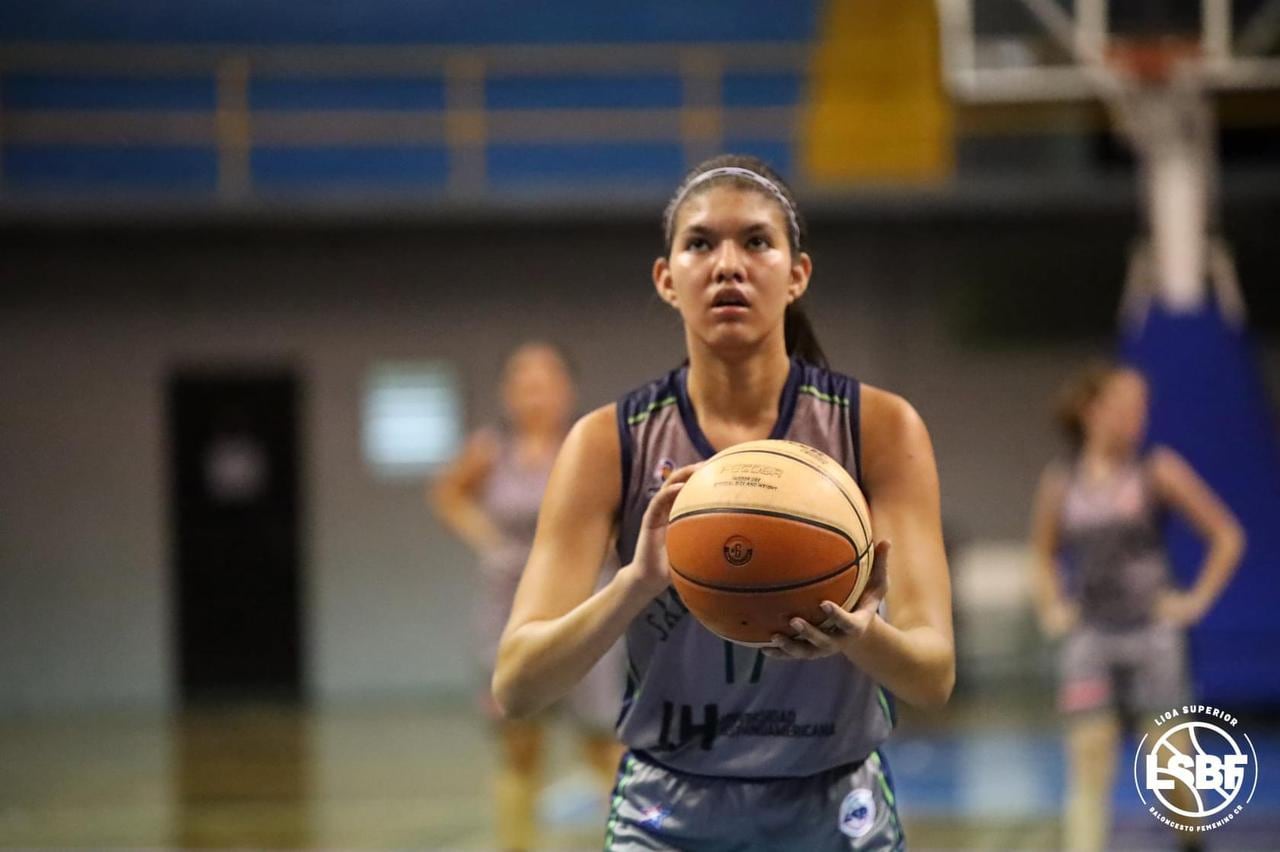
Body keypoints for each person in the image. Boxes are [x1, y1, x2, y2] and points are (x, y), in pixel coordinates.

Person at [492, 155, 955, 850]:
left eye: (758, 241)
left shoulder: (878, 428)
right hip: (666, 810)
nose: (728, 265)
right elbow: (518, 686)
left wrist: (864, 634)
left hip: (833, 805)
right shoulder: (607, 443)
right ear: (666, 278)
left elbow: (933, 675)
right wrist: (634, 585)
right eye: (701, 243)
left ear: (798, 274)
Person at [1030, 362, 1245, 852]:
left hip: (1152, 636)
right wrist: (1052, 606)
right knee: (1089, 766)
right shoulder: (1062, 482)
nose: (1137, 417)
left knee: (1173, 774)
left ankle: (1191, 842)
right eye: (1125, 405)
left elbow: (1227, 536)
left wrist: (1195, 600)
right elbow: (1041, 553)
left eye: (1142, 407)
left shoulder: (1158, 470)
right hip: (1090, 637)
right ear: (1091, 411)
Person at [432, 341, 623, 852]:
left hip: (583, 606)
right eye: (523, 382)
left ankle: (630, 842)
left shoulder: (589, 444)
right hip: (511, 608)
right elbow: (448, 494)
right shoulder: (490, 450)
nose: (534, 393)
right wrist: (488, 539)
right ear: (507, 393)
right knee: (520, 744)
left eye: (545, 381)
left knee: (604, 742)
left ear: (567, 389)